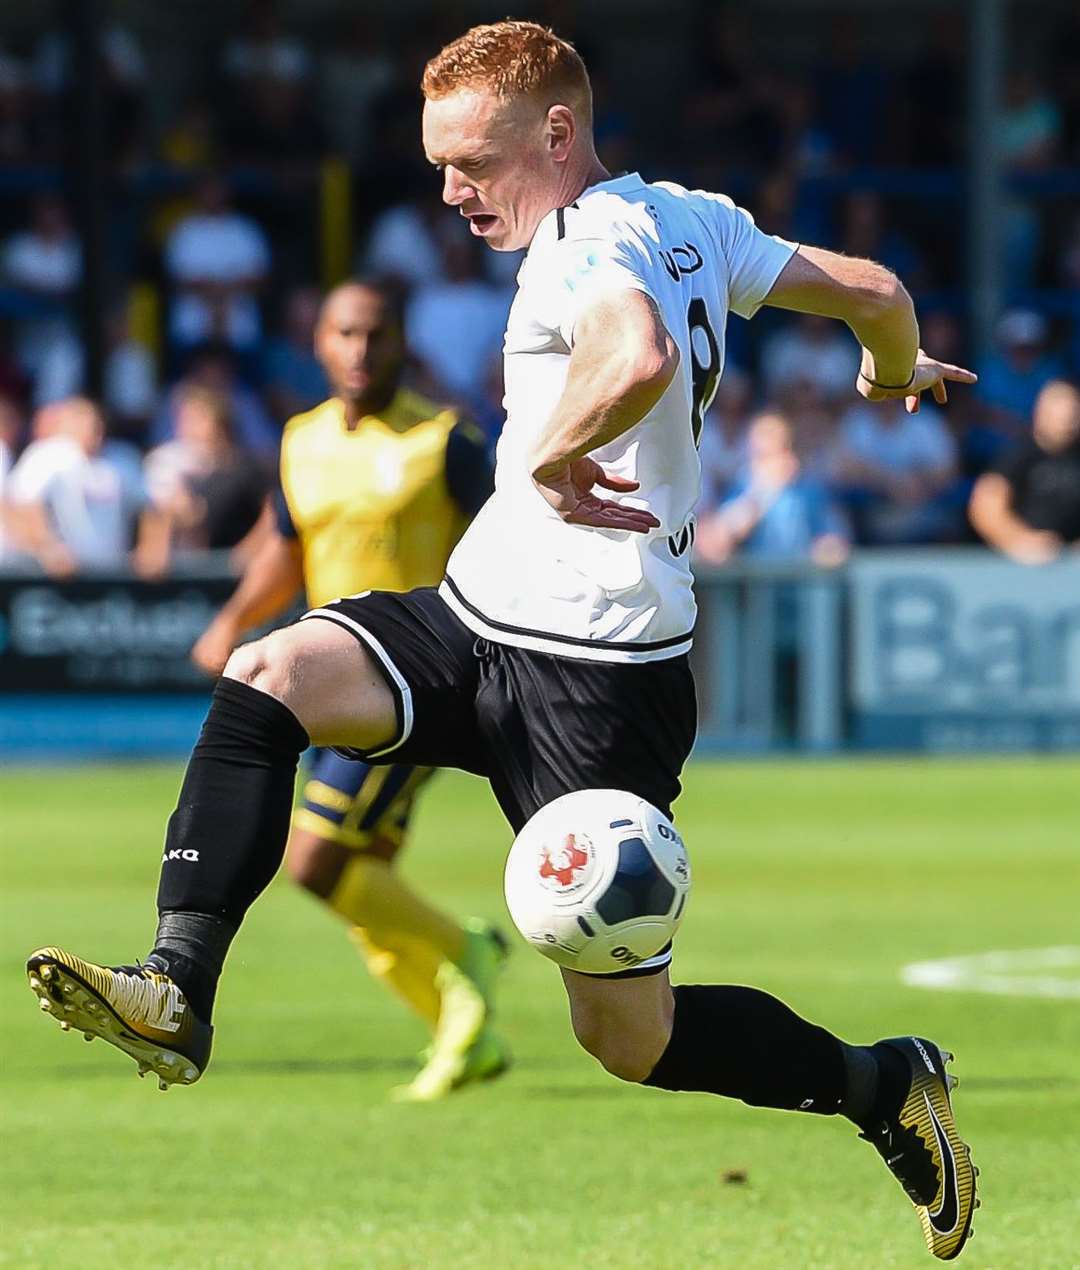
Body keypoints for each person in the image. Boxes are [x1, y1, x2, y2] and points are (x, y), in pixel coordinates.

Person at [27, 22, 979, 1260]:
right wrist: (890, 371)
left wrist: (548, 453)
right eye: (438, 164)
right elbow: (878, 291)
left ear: (558, 133)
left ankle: (882, 1084)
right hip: (473, 618)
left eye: (472, 161)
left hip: (602, 676)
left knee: (626, 1041)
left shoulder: (582, 245)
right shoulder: (697, 219)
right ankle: (176, 990)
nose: (450, 192)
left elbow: (633, 352)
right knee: (266, 677)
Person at [187, 280, 507, 1100]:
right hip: (323, 682)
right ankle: (457, 1032)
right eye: (344, 334)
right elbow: (288, 552)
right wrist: (231, 622)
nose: (360, 351)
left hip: (419, 684)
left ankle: (468, 952)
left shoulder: (447, 442)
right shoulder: (300, 440)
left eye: (375, 334)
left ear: (402, 341)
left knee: (314, 862)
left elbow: (509, 546)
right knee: (364, 881)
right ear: (319, 342)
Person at [5, 396, 159, 576]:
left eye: (95, 421)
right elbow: (21, 505)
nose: (90, 427)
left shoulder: (123, 458)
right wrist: (48, 548)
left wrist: (151, 548)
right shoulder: (47, 455)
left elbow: (151, 508)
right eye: (81, 420)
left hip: (113, 572)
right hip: (59, 575)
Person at [969, 379, 1080, 563]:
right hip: (1023, 566)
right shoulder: (1017, 456)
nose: (1067, 419)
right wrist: (1019, 540)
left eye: (1073, 412)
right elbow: (985, 507)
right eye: (1059, 411)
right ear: (1040, 413)